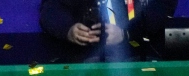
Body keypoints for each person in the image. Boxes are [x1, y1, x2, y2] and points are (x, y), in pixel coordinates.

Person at [40, 0, 178, 47]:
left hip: (143, 53)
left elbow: (162, 8)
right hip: (87, 56)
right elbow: (51, 8)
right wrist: (68, 30)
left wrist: (127, 33)